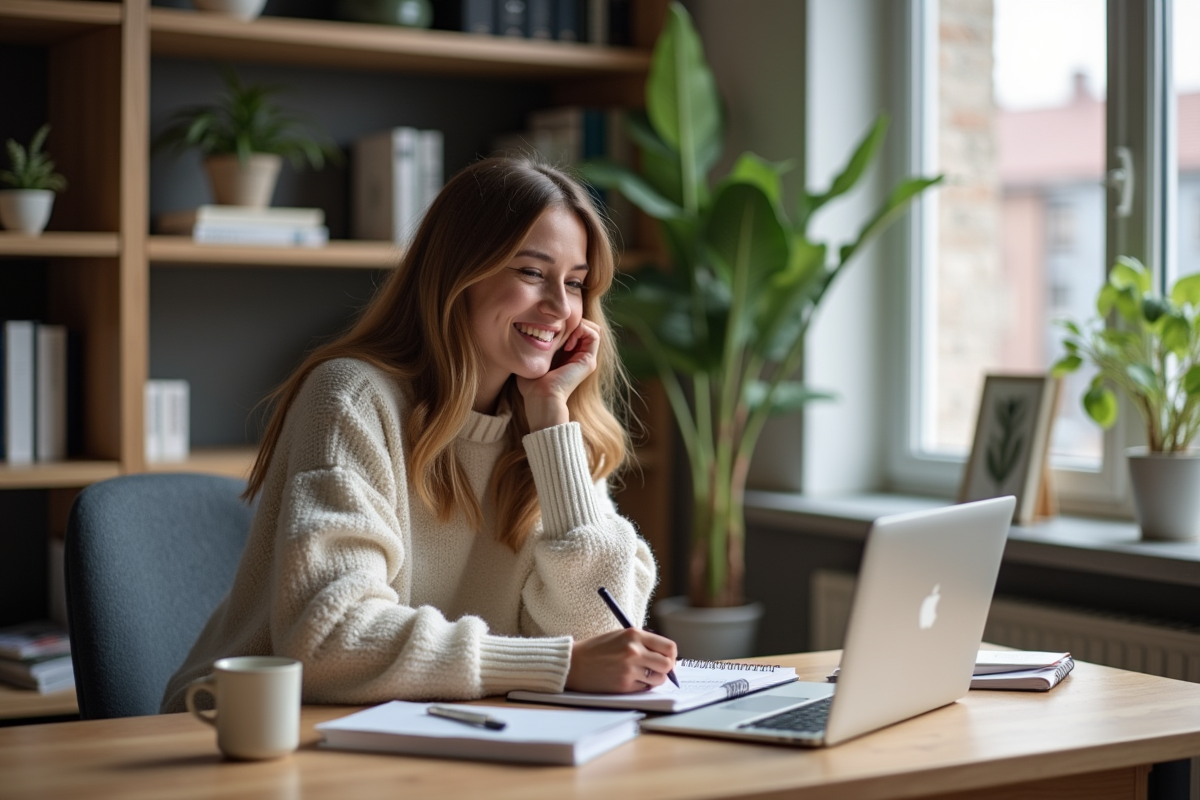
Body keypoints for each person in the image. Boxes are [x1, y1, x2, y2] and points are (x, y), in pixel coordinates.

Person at [161, 156, 676, 713]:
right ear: (460, 274)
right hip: (253, 728)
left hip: (436, 729)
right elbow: (331, 640)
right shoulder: (353, 398)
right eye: (531, 272)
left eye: (574, 284)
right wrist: (558, 666)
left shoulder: (551, 426)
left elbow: (596, 635)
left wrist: (552, 426)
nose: (558, 307)